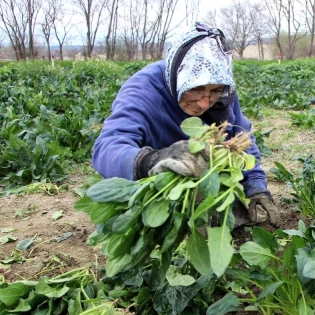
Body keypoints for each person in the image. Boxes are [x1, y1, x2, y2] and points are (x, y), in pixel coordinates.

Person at [91, 22, 278, 226]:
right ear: (179, 77)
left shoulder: (223, 97)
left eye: (214, 91)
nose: (205, 103)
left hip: (202, 185)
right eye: (196, 89)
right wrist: (151, 161)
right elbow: (106, 148)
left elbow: (242, 141)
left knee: (223, 217)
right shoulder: (142, 92)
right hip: (153, 189)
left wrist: (256, 187)